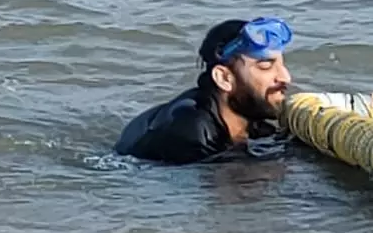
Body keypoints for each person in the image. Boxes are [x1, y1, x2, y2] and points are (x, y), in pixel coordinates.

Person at [114, 17, 295, 165]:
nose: (285, 77)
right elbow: (228, 186)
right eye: (265, 66)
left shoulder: (252, 124)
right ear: (224, 78)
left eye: (281, 64)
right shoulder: (190, 132)